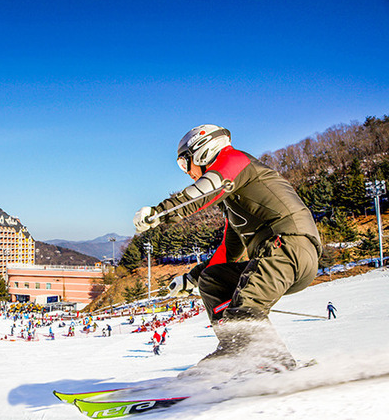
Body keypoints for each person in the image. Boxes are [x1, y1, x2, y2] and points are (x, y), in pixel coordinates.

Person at [134, 124, 322, 373]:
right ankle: (237, 350)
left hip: (287, 246)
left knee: (246, 306)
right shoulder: (236, 200)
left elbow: (203, 191)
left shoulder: (234, 160)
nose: (187, 172)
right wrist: (191, 279)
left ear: (203, 152)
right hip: (282, 256)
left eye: (184, 163)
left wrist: (160, 212)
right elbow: (227, 251)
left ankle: (272, 364)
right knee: (213, 279)